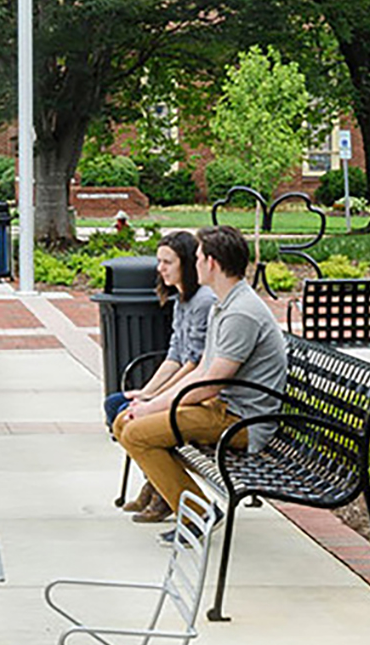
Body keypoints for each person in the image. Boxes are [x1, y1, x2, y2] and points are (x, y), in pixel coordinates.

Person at [113, 225, 287, 543]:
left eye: (197, 257)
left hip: (242, 420)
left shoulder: (241, 313)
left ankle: (199, 515)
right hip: (219, 408)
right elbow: (201, 371)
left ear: (212, 263)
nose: (193, 264)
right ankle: (187, 505)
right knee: (125, 421)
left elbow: (209, 384)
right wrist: (150, 402)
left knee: (136, 433)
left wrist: (153, 407)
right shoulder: (224, 304)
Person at [108, 231, 217, 523]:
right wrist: (146, 392)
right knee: (117, 408)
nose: (160, 268)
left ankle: (174, 498)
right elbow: (174, 355)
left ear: (187, 263)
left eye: (167, 262)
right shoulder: (182, 299)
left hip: (207, 400)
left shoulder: (205, 301)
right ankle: (159, 485)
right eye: (159, 261)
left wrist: (154, 399)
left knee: (129, 418)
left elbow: (194, 366)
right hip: (189, 391)